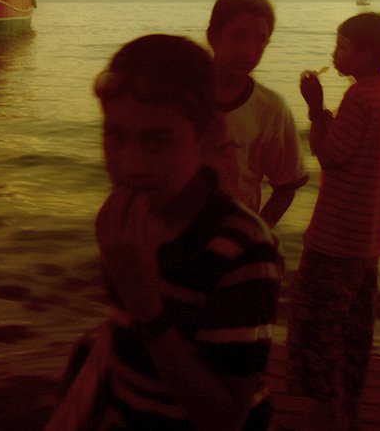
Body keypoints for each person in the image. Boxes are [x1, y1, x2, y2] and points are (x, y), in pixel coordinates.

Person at [48, 34, 283, 430]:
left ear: (206, 137)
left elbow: (225, 416)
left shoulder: (244, 250)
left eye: (159, 141)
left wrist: (144, 302)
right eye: (115, 136)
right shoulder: (132, 222)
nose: (130, 165)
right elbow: (127, 339)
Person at [287, 12, 380, 430]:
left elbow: (332, 155)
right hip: (369, 241)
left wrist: (315, 109)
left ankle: (323, 417)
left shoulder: (359, 98)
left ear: (366, 54)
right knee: (354, 330)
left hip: (334, 240)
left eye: (343, 45)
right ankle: (350, 410)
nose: (335, 52)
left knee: (315, 328)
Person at [206, 0, 308, 227]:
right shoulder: (181, 96)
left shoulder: (271, 109)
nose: (249, 51)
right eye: (239, 36)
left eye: (260, 40)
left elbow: (285, 187)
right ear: (214, 36)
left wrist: (254, 234)